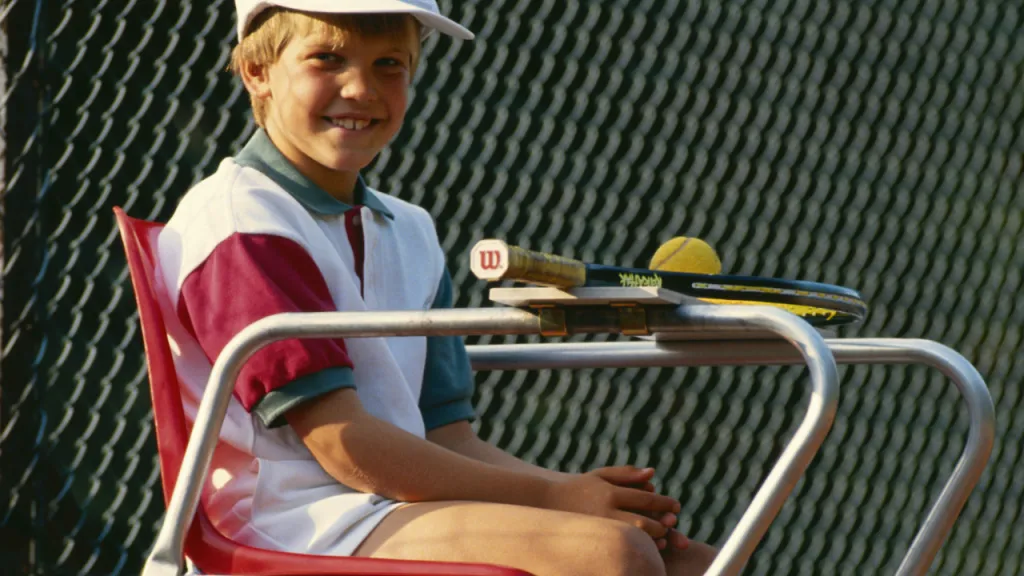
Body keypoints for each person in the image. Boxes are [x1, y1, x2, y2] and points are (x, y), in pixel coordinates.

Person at [156, 1, 716, 574]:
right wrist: (558, 500)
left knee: (694, 562)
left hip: (381, 506)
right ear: (257, 72)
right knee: (612, 555)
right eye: (327, 58)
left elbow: (448, 437)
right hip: (288, 527)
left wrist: (582, 492)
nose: (360, 88)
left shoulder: (410, 230)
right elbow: (343, 444)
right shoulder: (241, 221)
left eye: (389, 65)